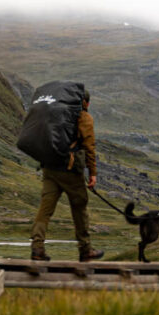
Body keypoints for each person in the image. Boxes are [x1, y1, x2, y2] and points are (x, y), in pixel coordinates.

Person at [30, 90, 104, 263]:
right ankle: (85, 250)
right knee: (79, 208)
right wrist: (92, 173)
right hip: (70, 170)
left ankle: (37, 248)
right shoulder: (83, 117)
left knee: (45, 211)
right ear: (86, 103)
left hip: (49, 167)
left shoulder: (54, 112)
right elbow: (89, 146)